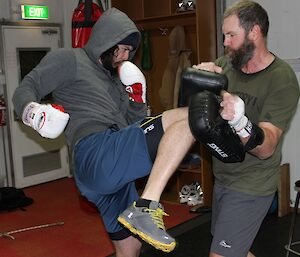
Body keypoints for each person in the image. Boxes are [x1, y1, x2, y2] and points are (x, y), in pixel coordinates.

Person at [12, 7, 197, 257]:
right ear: (104, 40)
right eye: (120, 48)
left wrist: (137, 98)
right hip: (95, 151)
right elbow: (27, 86)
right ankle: (146, 206)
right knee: (187, 117)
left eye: (130, 51)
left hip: (112, 173)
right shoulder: (70, 59)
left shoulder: (117, 82)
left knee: (130, 246)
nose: (124, 55)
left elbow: (135, 125)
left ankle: (140, 210)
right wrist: (31, 111)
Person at [191, 1, 299, 256]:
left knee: (221, 254)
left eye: (231, 35)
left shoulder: (281, 79)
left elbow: (267, 148)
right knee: (235, 250)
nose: (225, 42)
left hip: (252, 184)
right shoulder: (227, 64)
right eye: (224, 35)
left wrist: (240, 121)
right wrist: (202, 79)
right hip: (224, 178)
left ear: (254, 32)